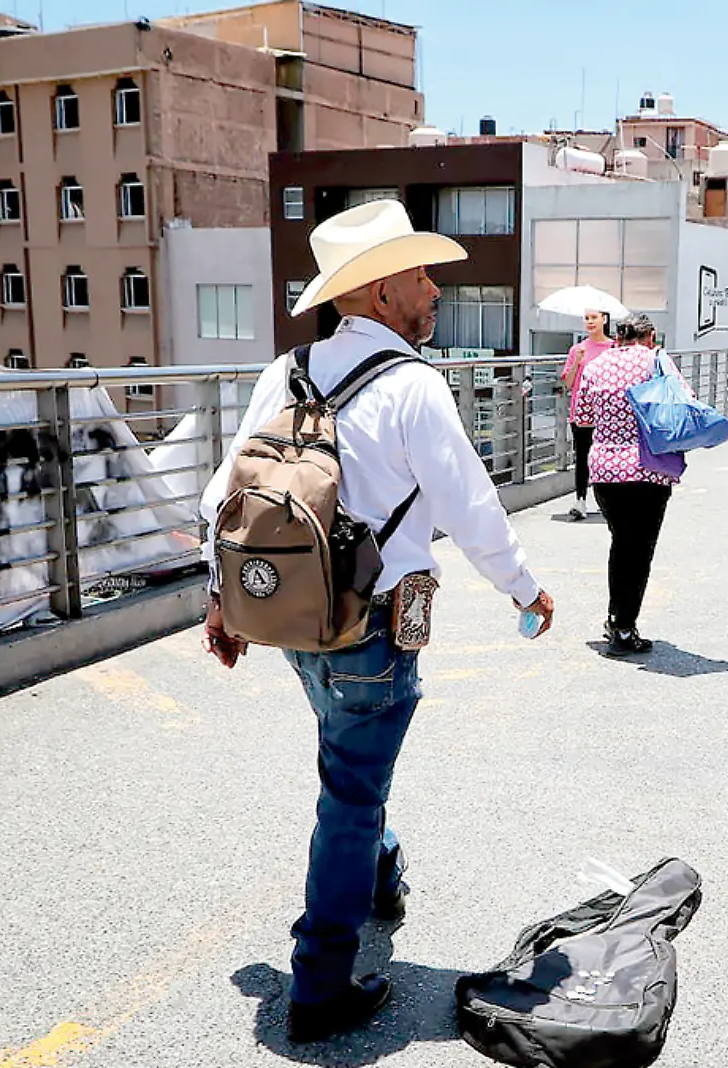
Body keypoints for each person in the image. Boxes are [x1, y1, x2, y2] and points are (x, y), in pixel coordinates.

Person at [198, 200, 557, 1042]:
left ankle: (381, 878)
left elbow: (222, 496)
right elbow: (470, 505)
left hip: (290, 616)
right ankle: (319, 985)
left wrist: (218, 601)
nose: (435, 290)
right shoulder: (413, 386)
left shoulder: (284, 371)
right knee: (350, 798)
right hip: (374, 626)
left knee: (347, 761)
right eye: (422, 275)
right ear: (379, 288)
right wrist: (525, 587)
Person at [571, 314, 681, 655]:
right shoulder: (657, 360)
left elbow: (583, 416)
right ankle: (622, 626)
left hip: (605, 469)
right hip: (648, 468)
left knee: (622, 543)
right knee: (639, 549)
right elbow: (682, 399)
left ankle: (617, 620)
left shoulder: (596, 366)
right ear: (649, 336)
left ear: (618, 336)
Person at [559, 309, 617, 521]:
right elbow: (568, 382)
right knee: (582, 456)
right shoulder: (578, 349)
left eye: (594, 317)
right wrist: (577, 362)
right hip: (582, 412)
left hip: (608, 412)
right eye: (587, 318)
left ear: (605, 319)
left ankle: (608, 501)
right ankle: (580, 500)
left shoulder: (614, 348)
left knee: (608, 456)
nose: (590, 322)